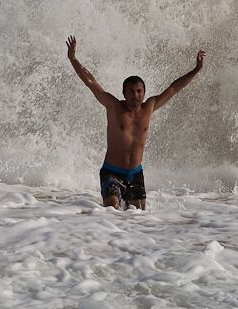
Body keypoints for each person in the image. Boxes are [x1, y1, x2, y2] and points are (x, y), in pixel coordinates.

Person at [66, 35, 205, 210]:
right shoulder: (113, 106)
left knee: (138, 218)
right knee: (112, 209)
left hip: (135, 174)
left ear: (144, 92)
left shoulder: (150, 107)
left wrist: (196, 69)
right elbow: (91, 82)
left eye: (139, 91)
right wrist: (73, 59)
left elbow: (174, 88)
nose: (135, 95)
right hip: (112, 172)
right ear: (124, 93)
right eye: (131, 91)